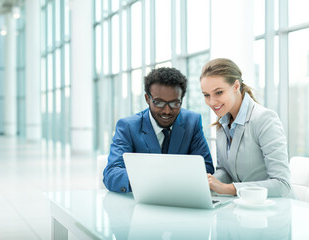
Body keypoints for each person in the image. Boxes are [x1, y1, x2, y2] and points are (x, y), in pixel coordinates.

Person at [103, 67, 214, 193]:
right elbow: (112, 174)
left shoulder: (192, 122)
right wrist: (153, 180)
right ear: (147, 99)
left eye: (174, 103)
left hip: (180, 200)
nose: (167, 110)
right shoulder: (128, 126)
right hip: (142, 204)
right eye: (159, 103)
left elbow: (207, 167)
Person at [200, 58, 292, 197]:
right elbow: (225, 170)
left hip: (275, 210)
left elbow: (282, 185)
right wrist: (206, 182)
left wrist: (229, 189)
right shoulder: (222, 124)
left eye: (219, 92)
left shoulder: (264, 119)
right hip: (244, 209)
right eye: (207, 95)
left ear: (236, 86)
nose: (212, 102)